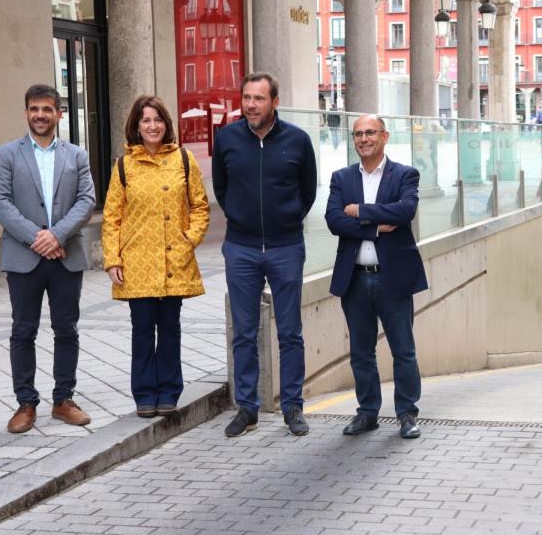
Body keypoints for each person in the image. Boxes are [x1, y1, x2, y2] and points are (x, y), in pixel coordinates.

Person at [213, 72, 317, 438]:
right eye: (246, 98)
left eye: (259, 98)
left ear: (274, 101)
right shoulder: (226, 139)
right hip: (240, 247)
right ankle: (247, 408)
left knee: (290, 331)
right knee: (244, 332)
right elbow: (222, 191)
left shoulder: (297, 141)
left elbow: (308, 191)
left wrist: (286, 221)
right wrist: (241, 221)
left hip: (285, 246)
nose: (251, 105)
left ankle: (292, 406)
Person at [0, 84, 96, 433]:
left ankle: (63, 399)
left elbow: (86, 200)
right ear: (26, 113)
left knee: (67, 329)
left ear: (59, 113)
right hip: (24, 257)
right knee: (23, 331)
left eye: (47, 109)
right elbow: (0, 202)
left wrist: (57, 234)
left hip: (66, 257)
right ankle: (25, 403)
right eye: (34, 109)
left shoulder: (76, 155)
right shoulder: (6, 154)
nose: (40, 115)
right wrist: (39, 238)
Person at [102, 96, 210, 418]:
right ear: (137, 126)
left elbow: (200, 207)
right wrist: (113, 259)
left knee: (170, 327)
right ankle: (145, 394)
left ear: (166, 124)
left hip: (173, 260)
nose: (152, 126)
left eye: (158, 120)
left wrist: (189, 239)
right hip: (136, 263)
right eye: (146, 120)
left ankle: (169, 390)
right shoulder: (124, 166)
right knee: (142, 329)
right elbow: (111, 217)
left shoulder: (184, 159)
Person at [325, 114, 428, 440]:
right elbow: (334, 221)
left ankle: (407, 414)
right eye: (358, 134)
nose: (363, 139)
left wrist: (359, 212)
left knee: (404, 351)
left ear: (384, 136)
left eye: (370, 133)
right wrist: (377, 225)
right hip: (354, 278)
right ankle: (367, 413)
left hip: (392, 277)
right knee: (361, 352)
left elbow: (404, 212)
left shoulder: (405, 174)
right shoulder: (341, 178)